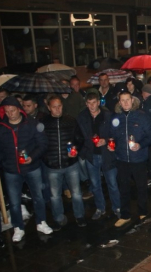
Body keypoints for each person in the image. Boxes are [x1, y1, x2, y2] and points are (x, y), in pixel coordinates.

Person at [0, 97, 52, 241]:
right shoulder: (2, 127)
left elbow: (42, 143)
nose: (10, 114)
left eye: (12, 110)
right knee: (14, 201)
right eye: (7, 111)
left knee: (38, 197)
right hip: (11, 170)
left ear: (19, 109)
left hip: (31, 167)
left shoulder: (31, 124)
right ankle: (18, 227)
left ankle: (41, 222)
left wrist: (33, 157)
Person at [109, 91, 151, 227]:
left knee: (141, 187)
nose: (125, 103)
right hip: (122, 158)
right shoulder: (116, 118)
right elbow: (112, 136)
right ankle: (125, 215)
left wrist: (140, 145)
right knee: (123, 188)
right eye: (122, 100)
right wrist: (112, 145)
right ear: (119, 102)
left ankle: (143, 212)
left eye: (127, 100)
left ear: (132, 100)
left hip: (138, 159)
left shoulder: (141, 116)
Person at [41, 95, 87, 230]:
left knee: (77, 192)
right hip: (52, 165)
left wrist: (75, 149)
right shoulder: (44, 123)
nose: (57, 109)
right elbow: (40, 143)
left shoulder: (70, 120)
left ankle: (79, 215)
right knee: (55, 195)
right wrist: (46, 158)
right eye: (54, 107)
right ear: (49, 107)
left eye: (59, 106)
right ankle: (58, 218)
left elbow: (80, 138)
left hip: (70, 163)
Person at [77, 92, 121, 220]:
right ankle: (100, 208)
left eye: (94, 102)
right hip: (91, 156)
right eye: (89, 103)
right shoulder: (82, 117)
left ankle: (117, 207)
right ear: (86, 104)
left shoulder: (108, 115)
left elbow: (116, 134)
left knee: (112, 183)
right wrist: (83, 151)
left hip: (107, 154)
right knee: (95, 184)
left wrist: (106, 140)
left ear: (99, 102)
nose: (91, 106)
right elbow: (78, 136)